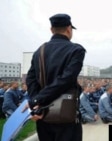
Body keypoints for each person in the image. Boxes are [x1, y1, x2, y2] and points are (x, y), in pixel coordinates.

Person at [24, 13, 86, 141]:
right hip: (66, 116)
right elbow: (66, 80)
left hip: (43, 115)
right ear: (69, 29)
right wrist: (37, 101)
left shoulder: (39, 51)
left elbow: (30, 79)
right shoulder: (76, 50)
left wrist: (36, 102)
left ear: (51, 30)